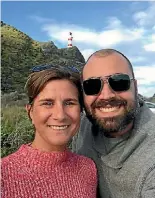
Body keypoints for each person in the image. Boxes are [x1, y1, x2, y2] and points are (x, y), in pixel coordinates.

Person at [1, 65, 97, 198]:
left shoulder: (88, 168)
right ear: (30, 112)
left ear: (80, 110)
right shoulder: (4, 175)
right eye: (47, 103)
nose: (60, 115)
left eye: (69, 103)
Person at [72, 49, 155, 198]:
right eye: (92, 85)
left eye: (119, 82)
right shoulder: (83, 125)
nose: (106, 95)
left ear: (135, 87)